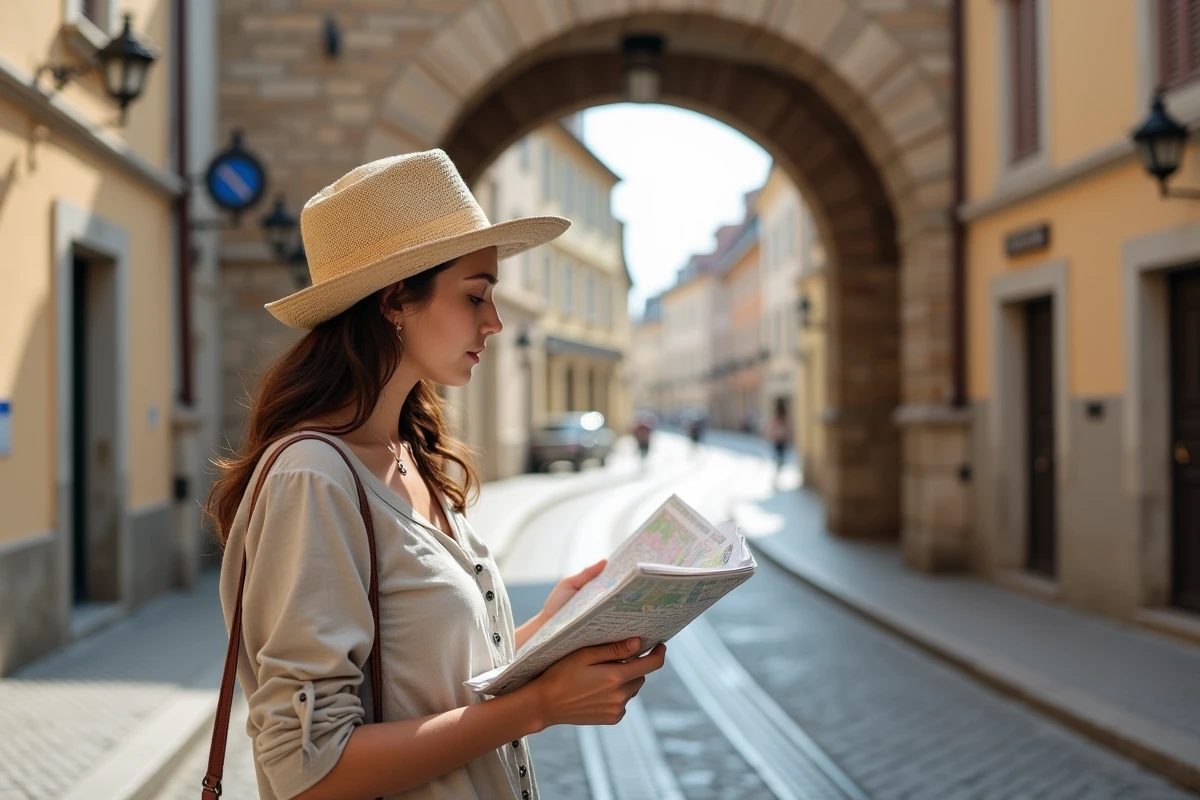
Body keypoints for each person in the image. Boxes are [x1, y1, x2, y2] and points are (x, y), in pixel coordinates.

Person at [204, 150, 666, 800]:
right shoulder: (313, 477)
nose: (494, 321)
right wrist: (539, 706)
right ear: (396, 299)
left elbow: (435, 687)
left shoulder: (410, 454)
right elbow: (308, 771)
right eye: (475, 295)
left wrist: (550, 631)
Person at [768, 398, 790, 473]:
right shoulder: (783, 417)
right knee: (780, 454)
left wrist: (771, 434)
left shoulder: (779, 417)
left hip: (779, 438)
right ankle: (779, 464)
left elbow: (773, 426)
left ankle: (779, 464)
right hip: (781, 438)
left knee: (779, 454)